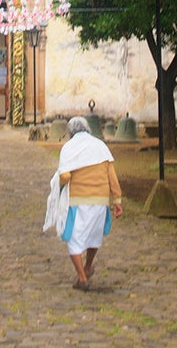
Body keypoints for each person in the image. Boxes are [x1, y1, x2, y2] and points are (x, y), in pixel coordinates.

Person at [44, 116, 123, 291]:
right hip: (101, 200)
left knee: (74, 239)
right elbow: (112, 176)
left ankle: (82, 277)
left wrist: (59, 185)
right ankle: (88, 266)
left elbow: (65, 176)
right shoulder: (101, 146)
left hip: (78, 201)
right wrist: (117, 200)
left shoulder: (69, 148)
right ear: (88, 129)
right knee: (94, 236)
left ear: (70, 132)